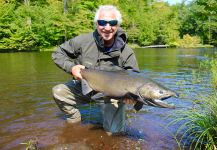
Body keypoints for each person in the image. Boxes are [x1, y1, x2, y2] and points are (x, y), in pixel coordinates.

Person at [52, 5, 139, 135]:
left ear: (118, 25)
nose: (107, 27)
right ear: (97, 23)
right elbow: (57, 53)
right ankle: (74, 117)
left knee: (114, 134)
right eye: (102, 22)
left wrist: (131, 97)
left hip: (111, 95)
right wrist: (72, 68)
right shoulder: (83, 41)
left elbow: (135, 78)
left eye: (112, 23)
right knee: (59, 92)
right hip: (85, 87)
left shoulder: (126, 52)